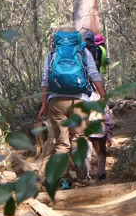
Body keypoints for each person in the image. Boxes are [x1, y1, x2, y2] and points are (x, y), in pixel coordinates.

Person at [38, 25, 106, 186]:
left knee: (61, 143)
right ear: (76, 37)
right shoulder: (83, 52)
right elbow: (93, 73)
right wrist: (102, 95)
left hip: (56, 102)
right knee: (79, 137)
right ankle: (79, 157)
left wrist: (43, 105)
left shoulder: (53, 54)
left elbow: (45, 80)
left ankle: (64, 181)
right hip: (79, 101)